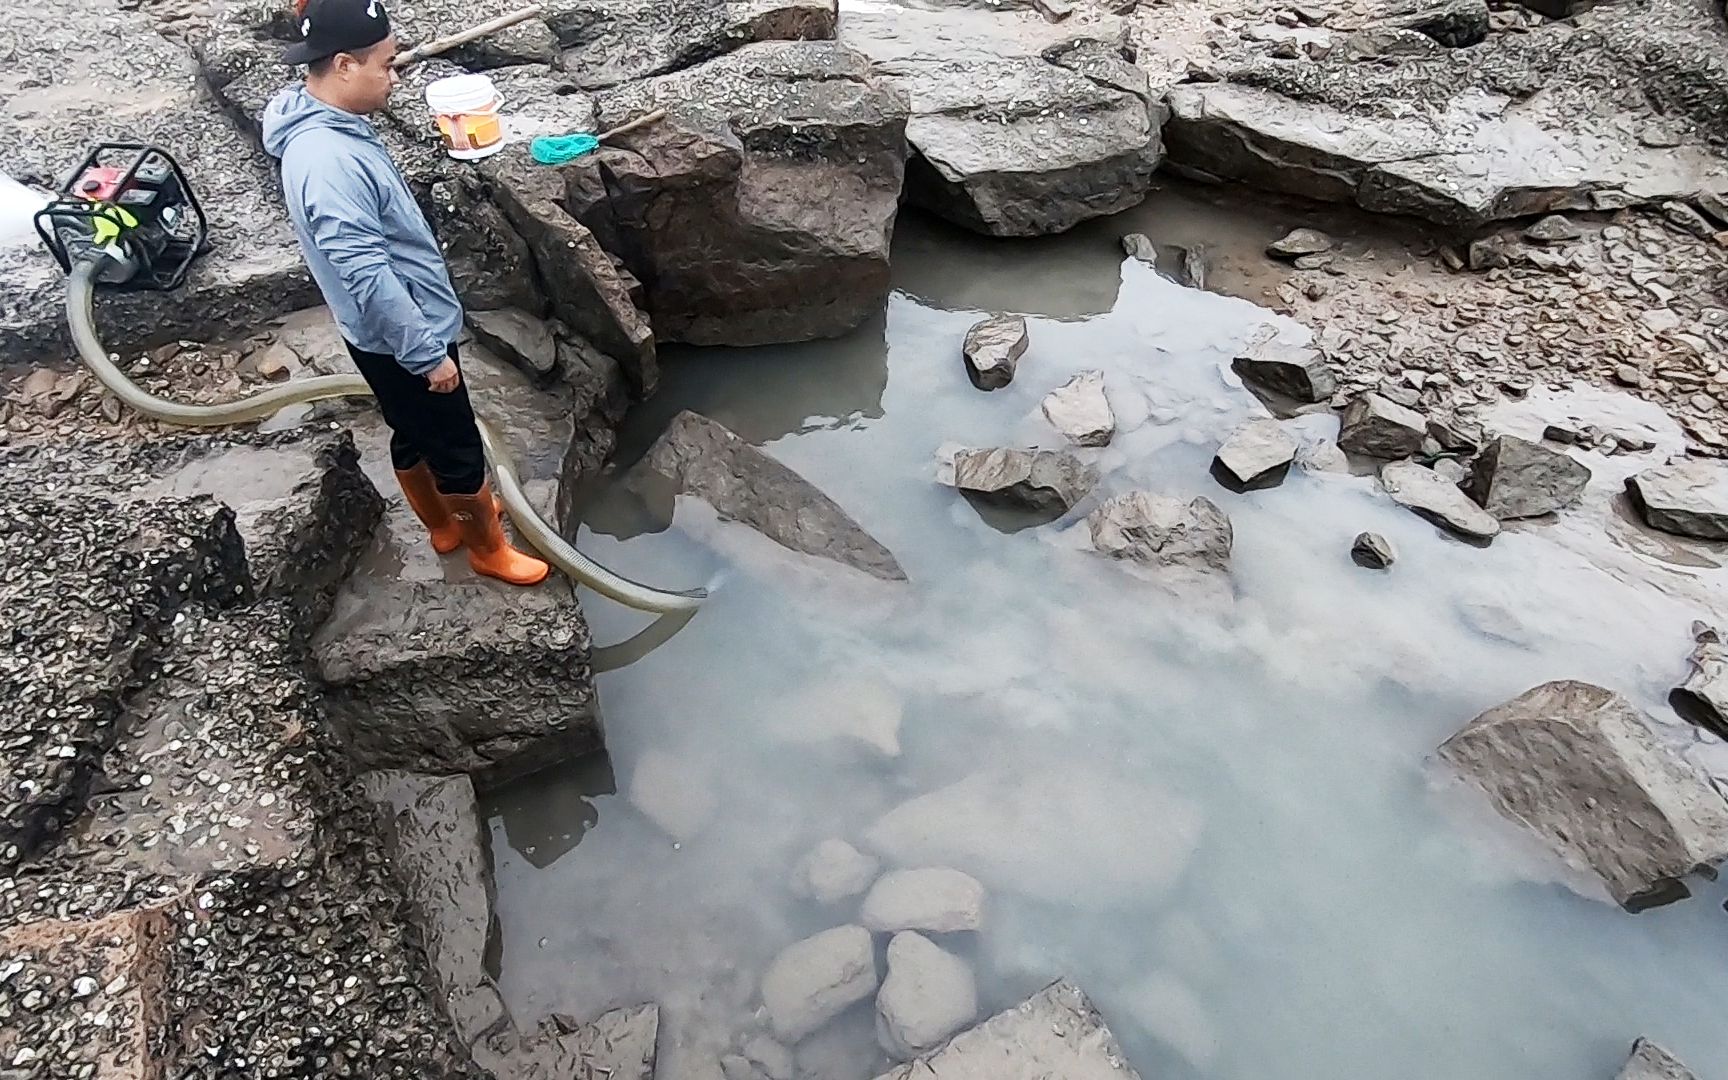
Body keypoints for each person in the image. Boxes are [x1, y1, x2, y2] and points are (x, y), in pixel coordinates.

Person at [261, 0, 549, 586]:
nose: (395, 78)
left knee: (409, 427)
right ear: (343, 64)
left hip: (374, 332)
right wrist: (426, 352)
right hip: (403, 330)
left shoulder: (317, 119)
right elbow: (365, 271)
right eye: (387, 66)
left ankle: (445, 524)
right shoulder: (329, 159)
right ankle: (486, 549)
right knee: (458, 445)